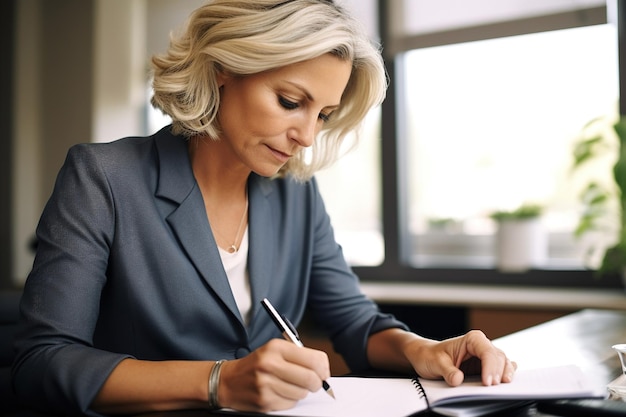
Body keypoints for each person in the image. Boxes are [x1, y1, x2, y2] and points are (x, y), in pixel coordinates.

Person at [12, 0, 517, 415]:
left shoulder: (296, 193)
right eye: (290, 101)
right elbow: (42, 363)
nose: (307, 135)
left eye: (323, 114)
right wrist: (219, 382)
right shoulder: (103, 177)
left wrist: (425, 350)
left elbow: (356, 323)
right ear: (223, 70)